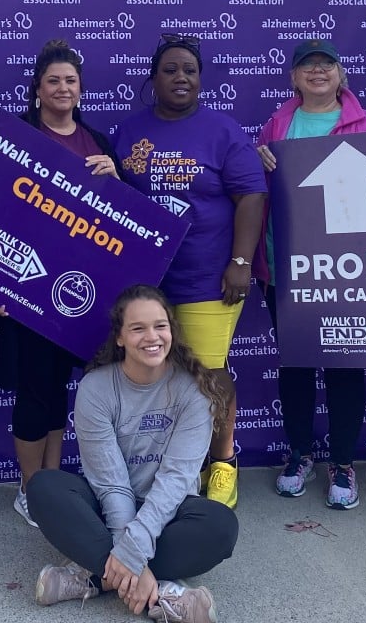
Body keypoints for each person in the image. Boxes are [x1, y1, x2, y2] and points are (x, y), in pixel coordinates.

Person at [254, 39, 366, 511]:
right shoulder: (277, 124)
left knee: (344, 363)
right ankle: (299, 454)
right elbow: (258, 189)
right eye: (307, 66)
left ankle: (343, 462)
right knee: (294, 363)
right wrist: (259, 161)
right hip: (288, 267)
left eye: (326, 64)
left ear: (340, 74)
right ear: (293, 77)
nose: (317, 72)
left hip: (348, 269)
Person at [112, 33, 266, 510]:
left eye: (190, 70)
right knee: (155, 377)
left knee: (209, 373)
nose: (181, 77)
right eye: (170, 69)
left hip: (207, 278)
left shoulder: (221, 131)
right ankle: (167, 467)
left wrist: (240, 262)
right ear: (153, 79)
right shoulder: (129, 131)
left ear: (200, 80)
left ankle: (220, 465)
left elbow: (252, 196)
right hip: (147, 284)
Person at [26, 285, 238, 623]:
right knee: (43, 487)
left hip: (168, 510)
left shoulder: (194, 390)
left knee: (221, 528)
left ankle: (94, 577)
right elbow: (111, 484)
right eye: (138, 328)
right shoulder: (96, 388)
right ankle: (163, 593)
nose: (151, 337)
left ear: (172, 330)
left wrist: (133, 549)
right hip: (107, 506)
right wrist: (135, 558)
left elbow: (176, 480)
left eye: (160, 326)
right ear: (120, 337)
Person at [8, 39, 121, 527]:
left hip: (80, 288)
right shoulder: (16, 135)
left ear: (80, 89)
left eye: (70, 80)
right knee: (35, 390)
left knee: (59, 389)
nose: (62, 88)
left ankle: (51, 483)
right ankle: (30, 488)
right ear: (37, 89)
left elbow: (120, 217)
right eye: (53, 80)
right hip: (27, 282)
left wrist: (115, 176)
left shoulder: (96, 140)